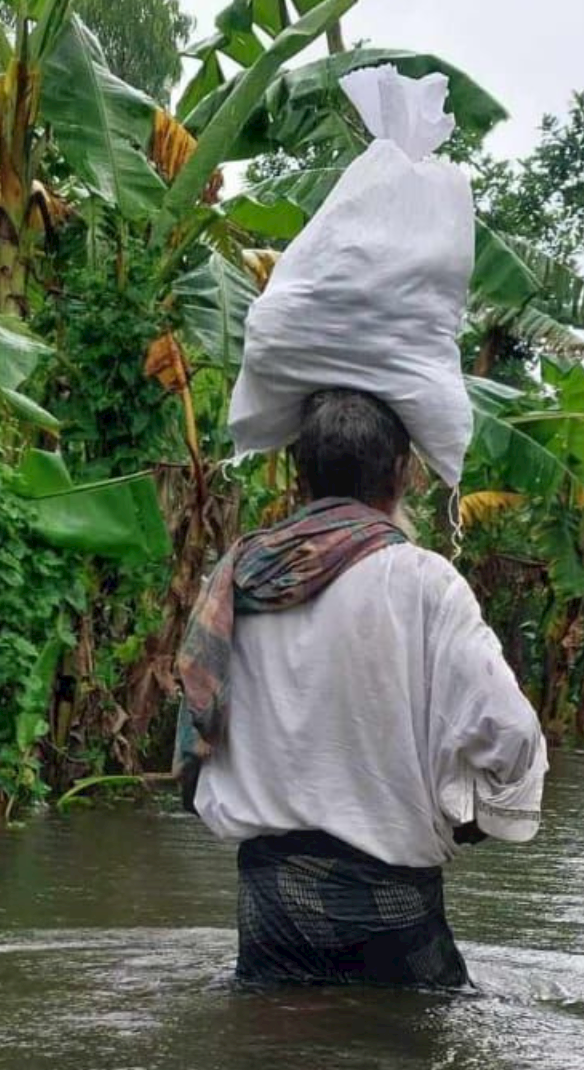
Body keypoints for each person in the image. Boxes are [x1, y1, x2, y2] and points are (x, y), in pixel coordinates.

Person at [177, 389, 547, 989]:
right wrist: (486, 812)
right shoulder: (424, 580)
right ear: (402, 474)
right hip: (391, 893)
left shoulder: (239, 579)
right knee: (406, 1040)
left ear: (300, 477)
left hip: (272, 899)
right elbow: (508, 730)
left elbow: (202, 716)